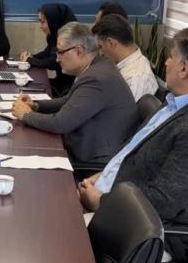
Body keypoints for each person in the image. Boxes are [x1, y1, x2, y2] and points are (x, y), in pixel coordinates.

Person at [78, 25, 188, 261]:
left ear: (184, 68)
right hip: (121, 198)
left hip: (151, 232)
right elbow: (135, 153)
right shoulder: (181, 102)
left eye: (171, 57)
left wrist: (100, 202)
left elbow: (162, 203)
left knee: (57, 238)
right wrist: (105, 175)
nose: (166, 62)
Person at [12, 23, 138, 168]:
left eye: (60, 52)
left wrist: (26, 115)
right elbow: (69, 100)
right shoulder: (98, 66)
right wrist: (36, 105)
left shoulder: (97, 79)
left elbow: (60, 123)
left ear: (79, 51)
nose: (57, 59)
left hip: (94, 160)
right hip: (87, 145)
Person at [92, 14, 159, 101]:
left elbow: (121, 110)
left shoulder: (135, 79)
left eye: (100, 47)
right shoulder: (130, 64)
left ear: (111, 43)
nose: (100, 53)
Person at [19, 3, 77, 96]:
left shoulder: (70, 37)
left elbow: (54, 62)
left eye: (43, 22)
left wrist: (30, 60)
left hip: (67, 89)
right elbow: (47, 53)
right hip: (60, 82)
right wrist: (31, 56)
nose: (40, 26)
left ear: (54, 21)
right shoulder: (53, 36)